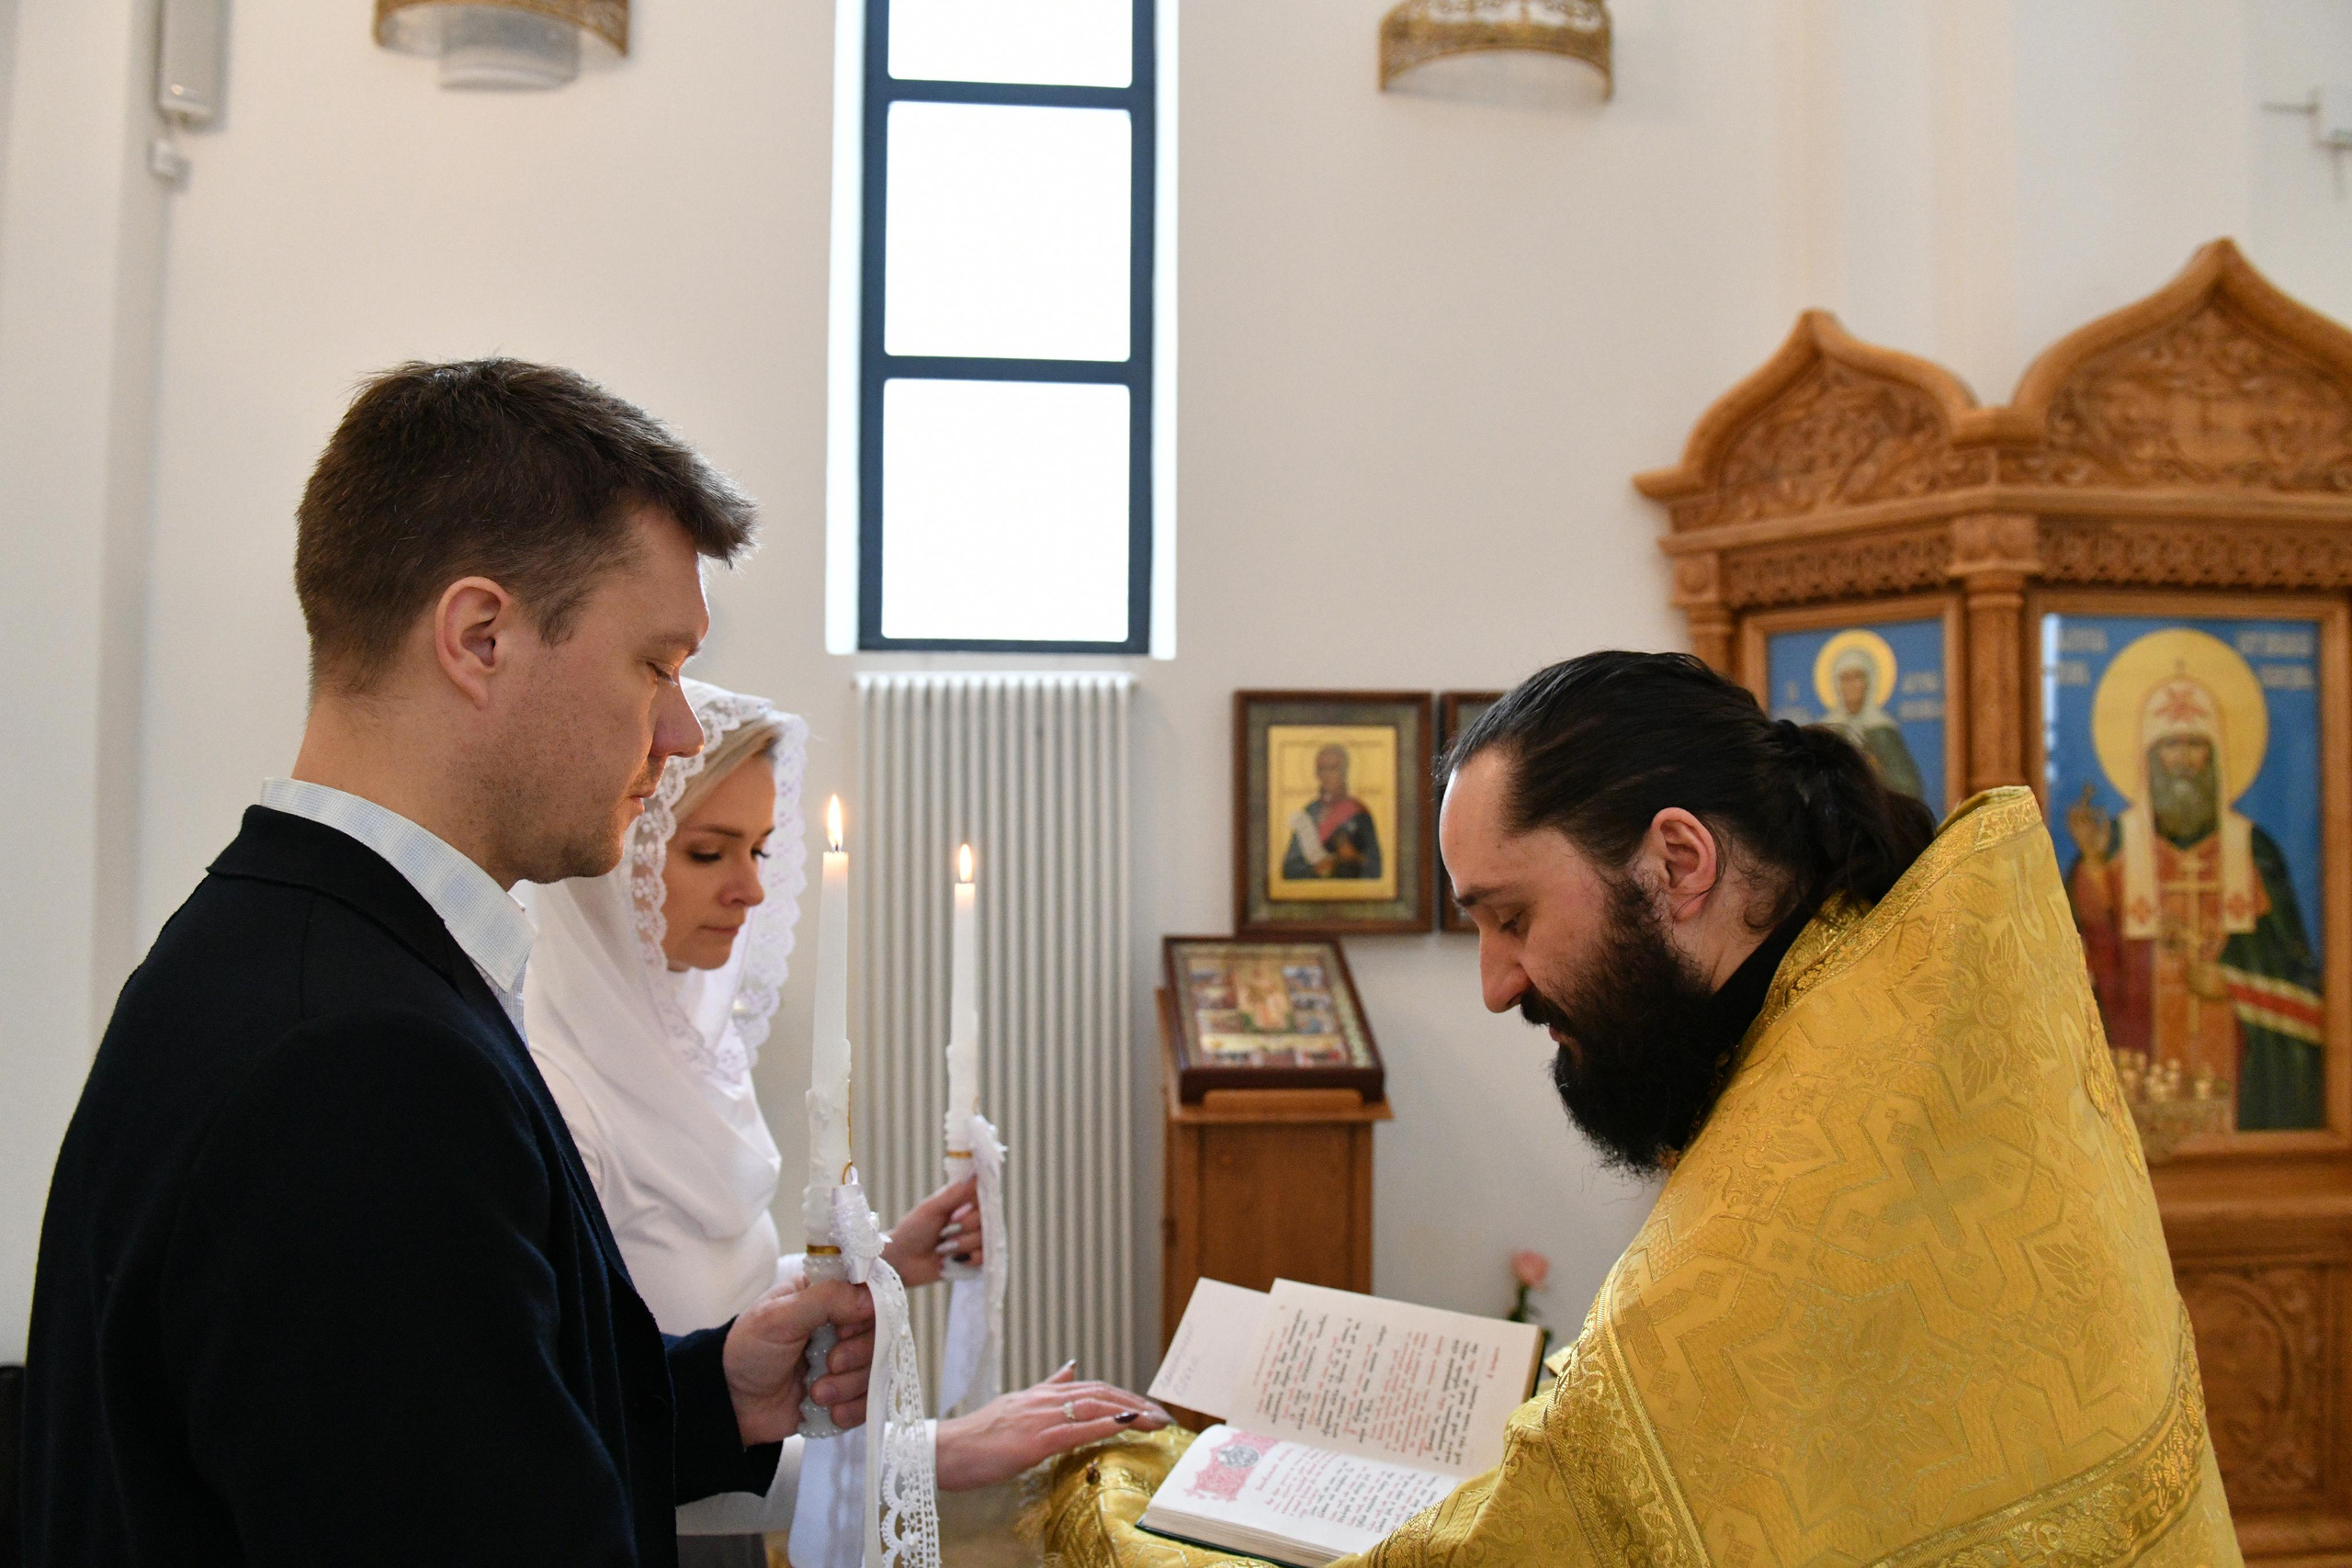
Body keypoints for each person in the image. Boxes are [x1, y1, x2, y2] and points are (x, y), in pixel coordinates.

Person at [1037, 651, 2238, 1565]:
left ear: (1677, 861)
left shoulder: (1826, 1155)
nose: (1497, 983)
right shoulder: (1878, 1028)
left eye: (1510, 916)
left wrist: (1118, 1493)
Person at [20, 360, 876, 1567]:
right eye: (655, 663)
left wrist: (713, 1395)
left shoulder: (297, 944)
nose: (680, 727)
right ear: (480, 637)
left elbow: (429, 1438)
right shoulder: (357, 1062)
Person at [521, 678, 1168, 1563]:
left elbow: (705, 1302)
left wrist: (886, 1261)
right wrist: (936, 1450)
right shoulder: (555, 1087)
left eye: (759, 849)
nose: (750, 889)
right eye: (709, 852)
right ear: (614, 864)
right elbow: (608, 1433)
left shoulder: (680, 1048)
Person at [2067, 671, 2324, 1129]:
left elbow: (2296, 979)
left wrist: (2230, 984)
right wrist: (2091, 868)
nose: (2182, 760)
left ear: (2215, 756)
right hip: (2140, 1057)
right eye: (2170, 746)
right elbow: (2086, 967)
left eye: (2194, 745)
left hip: (2237, 1067)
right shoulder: (2114, 846)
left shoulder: (2253, 850)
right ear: (2148, 757)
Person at [1824, 644, 1927, 802]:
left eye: (1857, 677)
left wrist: (1876, 772)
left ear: (1869, 681)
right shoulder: (1827, 730)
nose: (1851, 686)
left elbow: (1908, 786)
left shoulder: (1883, 729)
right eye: (1845, 678)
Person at [1282, 744, 1383, 880]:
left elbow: (1377, 868)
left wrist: (1355, 857)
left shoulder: (1359, 812)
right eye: (1322, 769)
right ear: (1317, 774)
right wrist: (1314, 869)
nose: (1327, 776)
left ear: (1344, 771)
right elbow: (1289, 869)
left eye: (1333, 768)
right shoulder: (1310, 813)